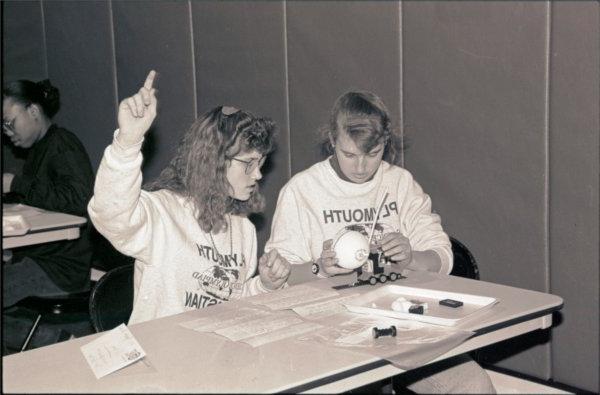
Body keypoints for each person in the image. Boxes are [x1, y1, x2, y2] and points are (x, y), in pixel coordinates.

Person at [265, 91, 495, 393]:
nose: (361, 167)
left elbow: (444, 257)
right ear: (332, 141)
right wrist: (320, 268)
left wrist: (411, 257)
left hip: (404, 328)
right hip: (331, 334)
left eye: (372, 154)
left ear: (385, 144)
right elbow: (279, 278)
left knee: (473, 386)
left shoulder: (399, 183)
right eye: (350, 155)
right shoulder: (302, 191)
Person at [87, 71, 290, 324]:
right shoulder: (163, 212)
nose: (258, 174)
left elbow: (233, 303)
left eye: (260, 163)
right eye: (248, 163)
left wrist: (266, 286)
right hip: (164, 353)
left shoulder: (244, 229)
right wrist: (128, 141)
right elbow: (110, 214)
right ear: (213, 162)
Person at [2, 79, 94, 354]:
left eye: (9, 121)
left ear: (33, 111)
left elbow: (80, 200)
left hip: (60, 268)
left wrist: (15, 184)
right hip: (43, 259)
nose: (7, 132)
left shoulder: (63, 145)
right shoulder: (39, 151)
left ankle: (58, 343)